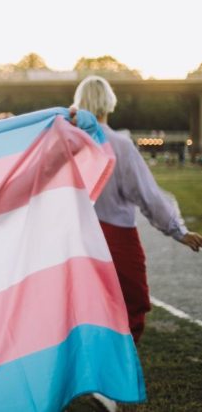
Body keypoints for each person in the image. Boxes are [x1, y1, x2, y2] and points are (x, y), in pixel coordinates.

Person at [73, 75, 202, 411]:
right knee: (131, 307)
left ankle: (96, 379)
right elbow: (148, 196)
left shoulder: (70, 144)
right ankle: (110, 383)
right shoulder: (119, 145)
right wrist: (176, 229)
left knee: (88, 308)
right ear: (109, 102)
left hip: (79, 239)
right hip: (116, 238)